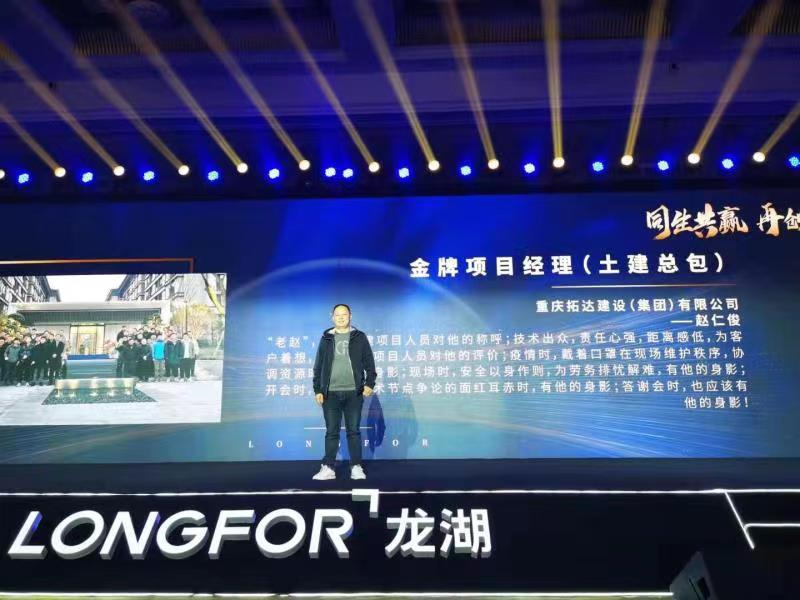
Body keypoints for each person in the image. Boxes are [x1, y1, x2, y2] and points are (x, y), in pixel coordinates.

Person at [311, 303, 377, 481]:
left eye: (344, 314)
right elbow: (318, 366)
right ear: (332, 317)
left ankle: (356, 467)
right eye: (337, 315)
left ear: (350, 316)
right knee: (331, 432)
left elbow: (369, 363)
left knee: (353, 431)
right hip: (330, 394)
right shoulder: (326, 338)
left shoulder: (359, 337)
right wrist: (318, 389)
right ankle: (328, 468)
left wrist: (369, 383)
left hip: (353, 393)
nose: (341, 317)